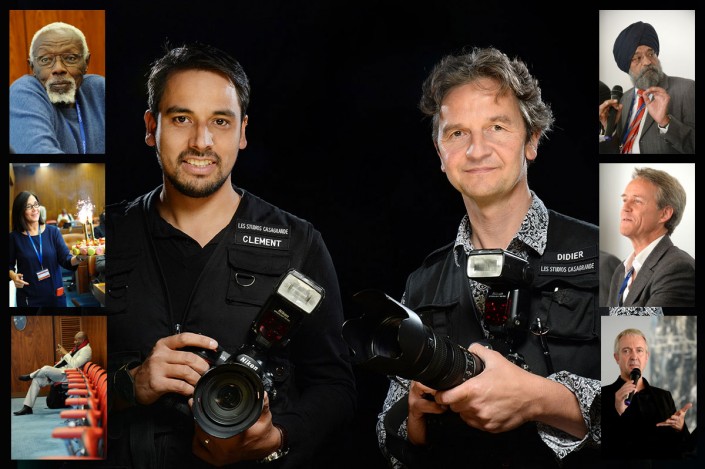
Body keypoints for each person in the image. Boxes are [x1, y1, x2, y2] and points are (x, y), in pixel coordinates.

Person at [104, 42, 356, 468]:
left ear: (242, 132)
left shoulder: (298, 243)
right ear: (151, 127)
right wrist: (130, 385)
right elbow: (48, 378)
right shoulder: (102, 239)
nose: (201, 142)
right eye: (181, 118)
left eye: (220, 122)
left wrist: (277, 438)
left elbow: (335, 387)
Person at [376, 47, 600, 468]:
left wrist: (539, 399)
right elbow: (391, 438)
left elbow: (666, 409)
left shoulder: (613, 258)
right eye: (457, 133)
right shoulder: (422, 284)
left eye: (497, 127)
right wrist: (416, 416)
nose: (477, 150)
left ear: (532, 140)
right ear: (440, 154)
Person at [599, 21, 695, 154]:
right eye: (637, 58)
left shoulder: (687, 89)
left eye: (651, 54)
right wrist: (611, 129)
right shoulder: (623, 100)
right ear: (627, 67)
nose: (648, 62)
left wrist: (666, 122)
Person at [9, 21, 105, 154]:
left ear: (86, 62)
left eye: (70, 58)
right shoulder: (23, 93)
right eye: (45, 60)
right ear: (33, 68)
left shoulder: (99, 89)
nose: (58, 69)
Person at [606, 167, 695, 307]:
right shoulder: (620, 271)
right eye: (625, 200)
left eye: (637, 201)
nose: (625, 208)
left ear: (664, 214)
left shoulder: (678, 268)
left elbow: (651, 319)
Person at [602, 328, 693, 461]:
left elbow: (682, 448)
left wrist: (680, 428)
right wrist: (617, 412)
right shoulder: (602, 395)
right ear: (617, 358)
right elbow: (599, 449)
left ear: (646, 357)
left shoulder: (664, 396)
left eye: (639, 350)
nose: (634, 357)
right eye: (626, 351)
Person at [9, 191, 82, 307]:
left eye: (36, 204)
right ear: (20, 211)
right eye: (29, 206)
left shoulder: (53, 232)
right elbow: (8, 265)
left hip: (55, 295)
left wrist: (80, 257)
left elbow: (66, 259)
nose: (35, 209)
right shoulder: (14, 237)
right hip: (29, 297)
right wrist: (13, 276)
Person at [13, 331, 92, 416]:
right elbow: (65, 362)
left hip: (71, 375)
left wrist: (65, 353)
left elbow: (75, 365)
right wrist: (63, 355)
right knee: (37, 379)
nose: (74, 342)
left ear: (82, 340)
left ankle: (30, 376)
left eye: (76, 340)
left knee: (46, 368)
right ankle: (27, 407)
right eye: (74, 340)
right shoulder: (77, 348)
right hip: (62, 372)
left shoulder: (86, 350)